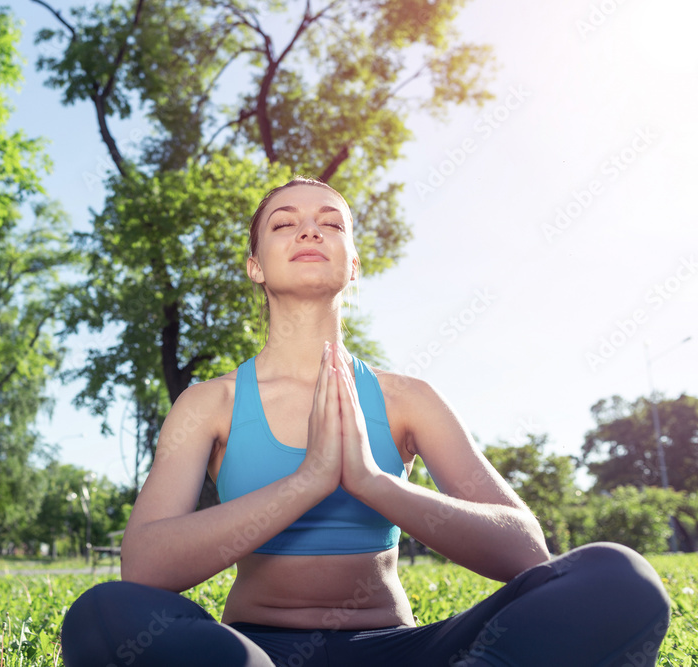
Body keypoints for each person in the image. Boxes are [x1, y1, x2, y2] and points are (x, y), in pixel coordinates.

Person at [60, 177, 671, 666]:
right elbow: (143, 567)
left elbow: (525, 553)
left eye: (331, 224)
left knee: (620, 577)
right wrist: (307, 482)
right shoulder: (209, 404)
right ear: (255, 266)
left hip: (398, 649)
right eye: (284, 223)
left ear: (353, 266)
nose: (309, 230)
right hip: (247, 651)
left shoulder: (409, 399)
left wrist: (376, 482)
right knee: (102, 612)